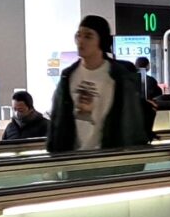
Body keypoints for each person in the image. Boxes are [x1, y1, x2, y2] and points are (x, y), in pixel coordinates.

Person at [47, 15, 152, 153]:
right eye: (78, 36)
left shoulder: (119, 77)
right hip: (73, 159)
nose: (81, 41)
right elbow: (57, 120)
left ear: (101, 40)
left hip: (107, 158)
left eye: (88, 36)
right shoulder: (68, 75)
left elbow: (131, 122)